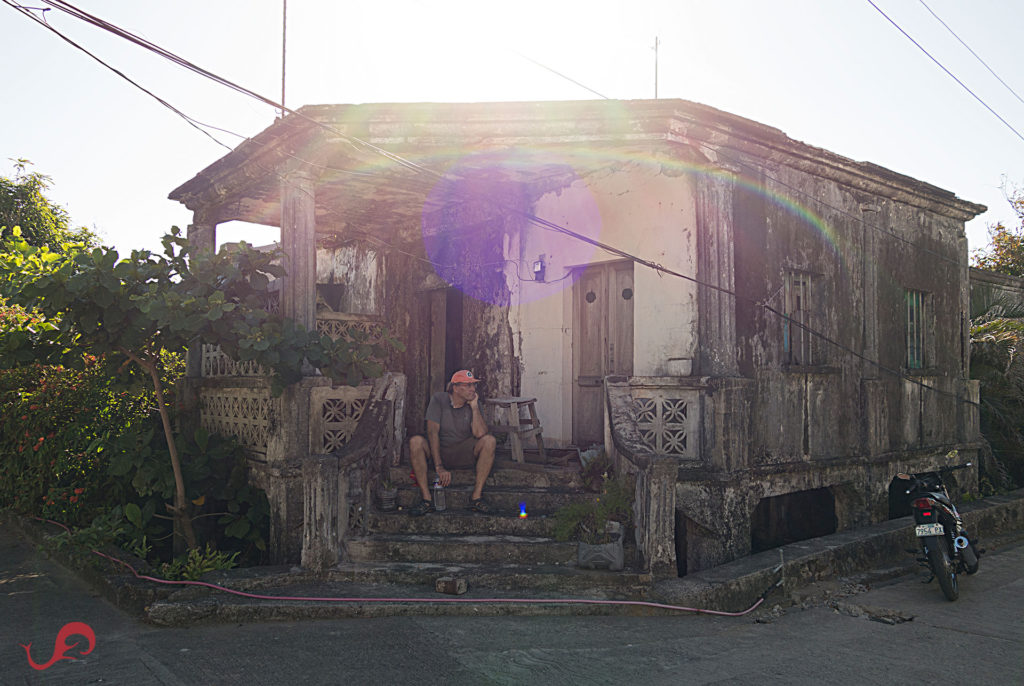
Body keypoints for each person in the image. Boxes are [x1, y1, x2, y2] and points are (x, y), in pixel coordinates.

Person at [408, 370, 496, 516]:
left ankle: (476, 497)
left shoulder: (475, 403)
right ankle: (426, 500)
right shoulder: (439, 400)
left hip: (463, 452)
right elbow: (432, 433)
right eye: (467, 386)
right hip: (439, 450)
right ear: (455, 388)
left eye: (473, 385)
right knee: (416, 442)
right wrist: (439, 467)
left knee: (489, 441)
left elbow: (480, 434)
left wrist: (474, 407)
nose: (473, 389)